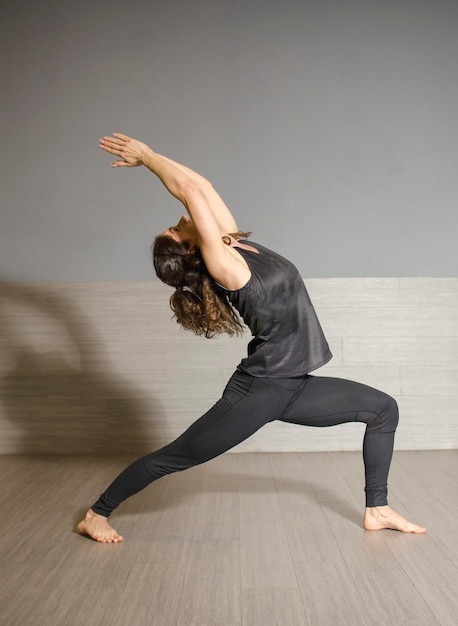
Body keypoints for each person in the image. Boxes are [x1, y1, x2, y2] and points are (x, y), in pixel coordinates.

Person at [77, 133, 426, 542]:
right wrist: (148, 157)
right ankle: (96, 514)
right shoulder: (226, 267)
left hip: (291, 384)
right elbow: (189, 192)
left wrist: (155, 159)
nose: (184, 216)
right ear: (193, 253)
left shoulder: (234, 244)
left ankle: (377, 509)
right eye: (177, 226)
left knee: (383, 409)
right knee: (177, 456)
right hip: (259, 391)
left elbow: (201, 186)